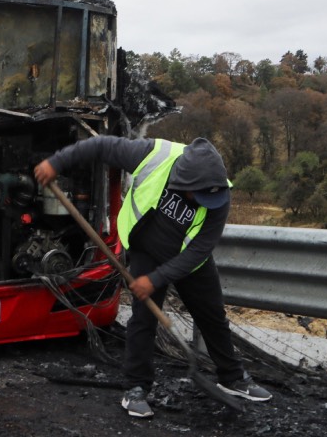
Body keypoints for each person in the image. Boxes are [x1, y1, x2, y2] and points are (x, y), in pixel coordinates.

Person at [34, 136, 271, 417]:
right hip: (146, 248)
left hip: (189, 260)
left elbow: (198, 251)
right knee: (144, 319)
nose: (206, 201)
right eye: (199, 195)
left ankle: (231, 377)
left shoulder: (219, 195)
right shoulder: (152, 155)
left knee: (213, 316)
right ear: (184, 183)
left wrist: (156, 279)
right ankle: (136, 388)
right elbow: (99, 147)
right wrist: (56, 162)